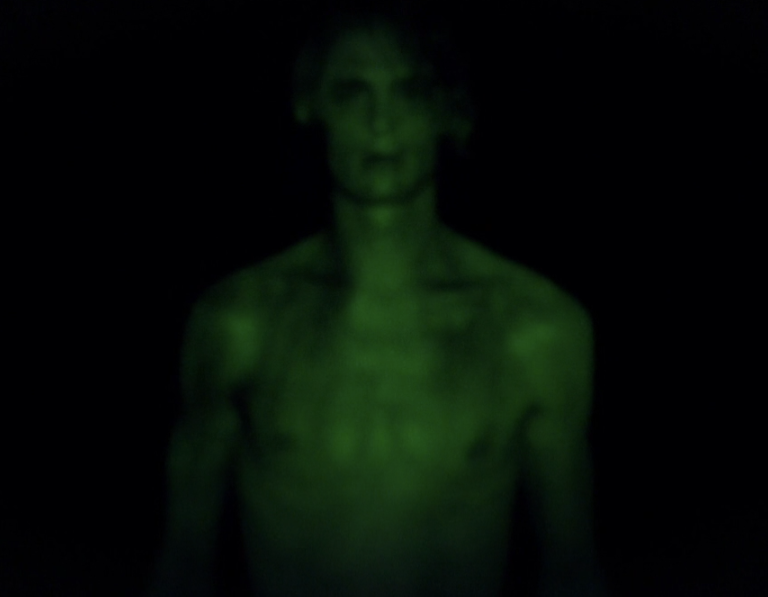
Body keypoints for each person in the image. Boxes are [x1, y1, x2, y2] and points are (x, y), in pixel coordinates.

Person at [147, 4, 609, 596]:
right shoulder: (239, 323)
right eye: (352, 92)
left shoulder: (534, 330)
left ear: (448, 110)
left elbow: (572, 572)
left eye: (410, 92)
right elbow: (183, 567)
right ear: (309, 104)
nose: (382, 123)